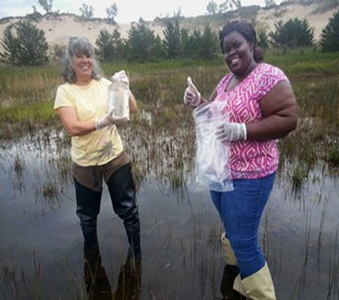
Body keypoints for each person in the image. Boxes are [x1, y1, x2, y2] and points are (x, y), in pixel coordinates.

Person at [184, 20, 297, 300]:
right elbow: (212, 112)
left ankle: (261, 296)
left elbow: (288, 120)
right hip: (222, 172)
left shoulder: (269, 76)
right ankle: (234, 273)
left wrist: (242, 130)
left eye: (237, 45)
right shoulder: (226, 81)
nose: (231, 53)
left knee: (244, 239)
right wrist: (198, 101)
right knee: (233, 229)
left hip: (253, 175)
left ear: (252, 44)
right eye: (226, 49)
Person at [53, 37, 141, 288]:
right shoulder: (65, 91)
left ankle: (136, 254)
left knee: (129, 210)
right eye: (79, 56)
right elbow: (72, 127)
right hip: (85, 163)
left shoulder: (104, 84)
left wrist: (125, 87)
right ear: (70, 61)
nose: (85, 61)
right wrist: (101, 122)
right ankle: (93, 264)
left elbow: (130, 110)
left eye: (88, 55)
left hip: (114, 156)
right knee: (88, 217)